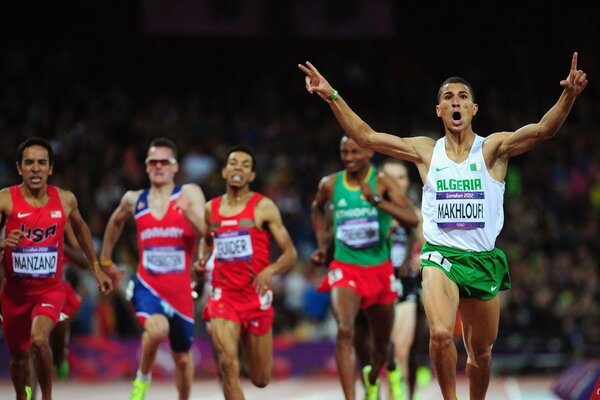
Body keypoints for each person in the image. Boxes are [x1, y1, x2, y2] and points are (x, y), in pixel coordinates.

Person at [299, 53, 588, 400]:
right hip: (440, 256)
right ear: (439, 111)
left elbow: (544, 130)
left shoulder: (492, 149)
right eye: (448, 97)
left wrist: (568, 95)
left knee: (480, 354)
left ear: (474, 109)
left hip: (482, 260)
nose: (455, 102)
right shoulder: (426, 151)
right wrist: (331, 94)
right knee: (439, 334)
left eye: (462, 97)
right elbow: (366, 137)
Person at [0, 137, 113, 400]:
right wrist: (3, 243)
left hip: (50, 291)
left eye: (42, 163)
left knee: (39, 341)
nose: (36, 168)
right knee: (18, 357)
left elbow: (82, 229)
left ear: (50, 168)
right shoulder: (5, 201)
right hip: (14, 295)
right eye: (29, 163)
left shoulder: (65, 199)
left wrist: (96, 267)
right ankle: (23, 396)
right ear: (19, 168)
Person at [311, 136, 419, 400]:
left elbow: (411, 219)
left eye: (355, 152)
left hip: (379, 271)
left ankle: (375, 376)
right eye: (344, 152)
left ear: (368, 154)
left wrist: (377, 202)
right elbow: (317, 208)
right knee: (346, 330)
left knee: (382, 346)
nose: (349, 157)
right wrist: (322, 246)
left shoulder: (381, 182)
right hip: (345, 268)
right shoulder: (330, 184)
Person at [100, 137, 206, 400]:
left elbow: (208, 234)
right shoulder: (134, 199)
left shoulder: (190, 194)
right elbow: (114, 223)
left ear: (175, 167)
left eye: (164, 162)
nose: (159, 166)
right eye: (153, 162)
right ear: (146, 167)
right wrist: (104, 261)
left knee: (182, 358)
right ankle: (142, 379)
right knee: (156, 330)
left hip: (181, 290)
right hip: (148, 285)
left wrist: (190, 213)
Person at [195, 145, 297, 400]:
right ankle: (232, 341)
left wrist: (270, 271)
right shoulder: (211, 208)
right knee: (227, 365)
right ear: (224, 171)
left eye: (245, 164)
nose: (238, 167)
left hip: (254, 297)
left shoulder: (264, 207)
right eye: (233, 162)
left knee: (261, 378)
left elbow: (291, 254)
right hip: (223, 296)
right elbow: (207, 239)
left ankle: (244, 337)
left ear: (251, 176)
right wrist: (201, 259)